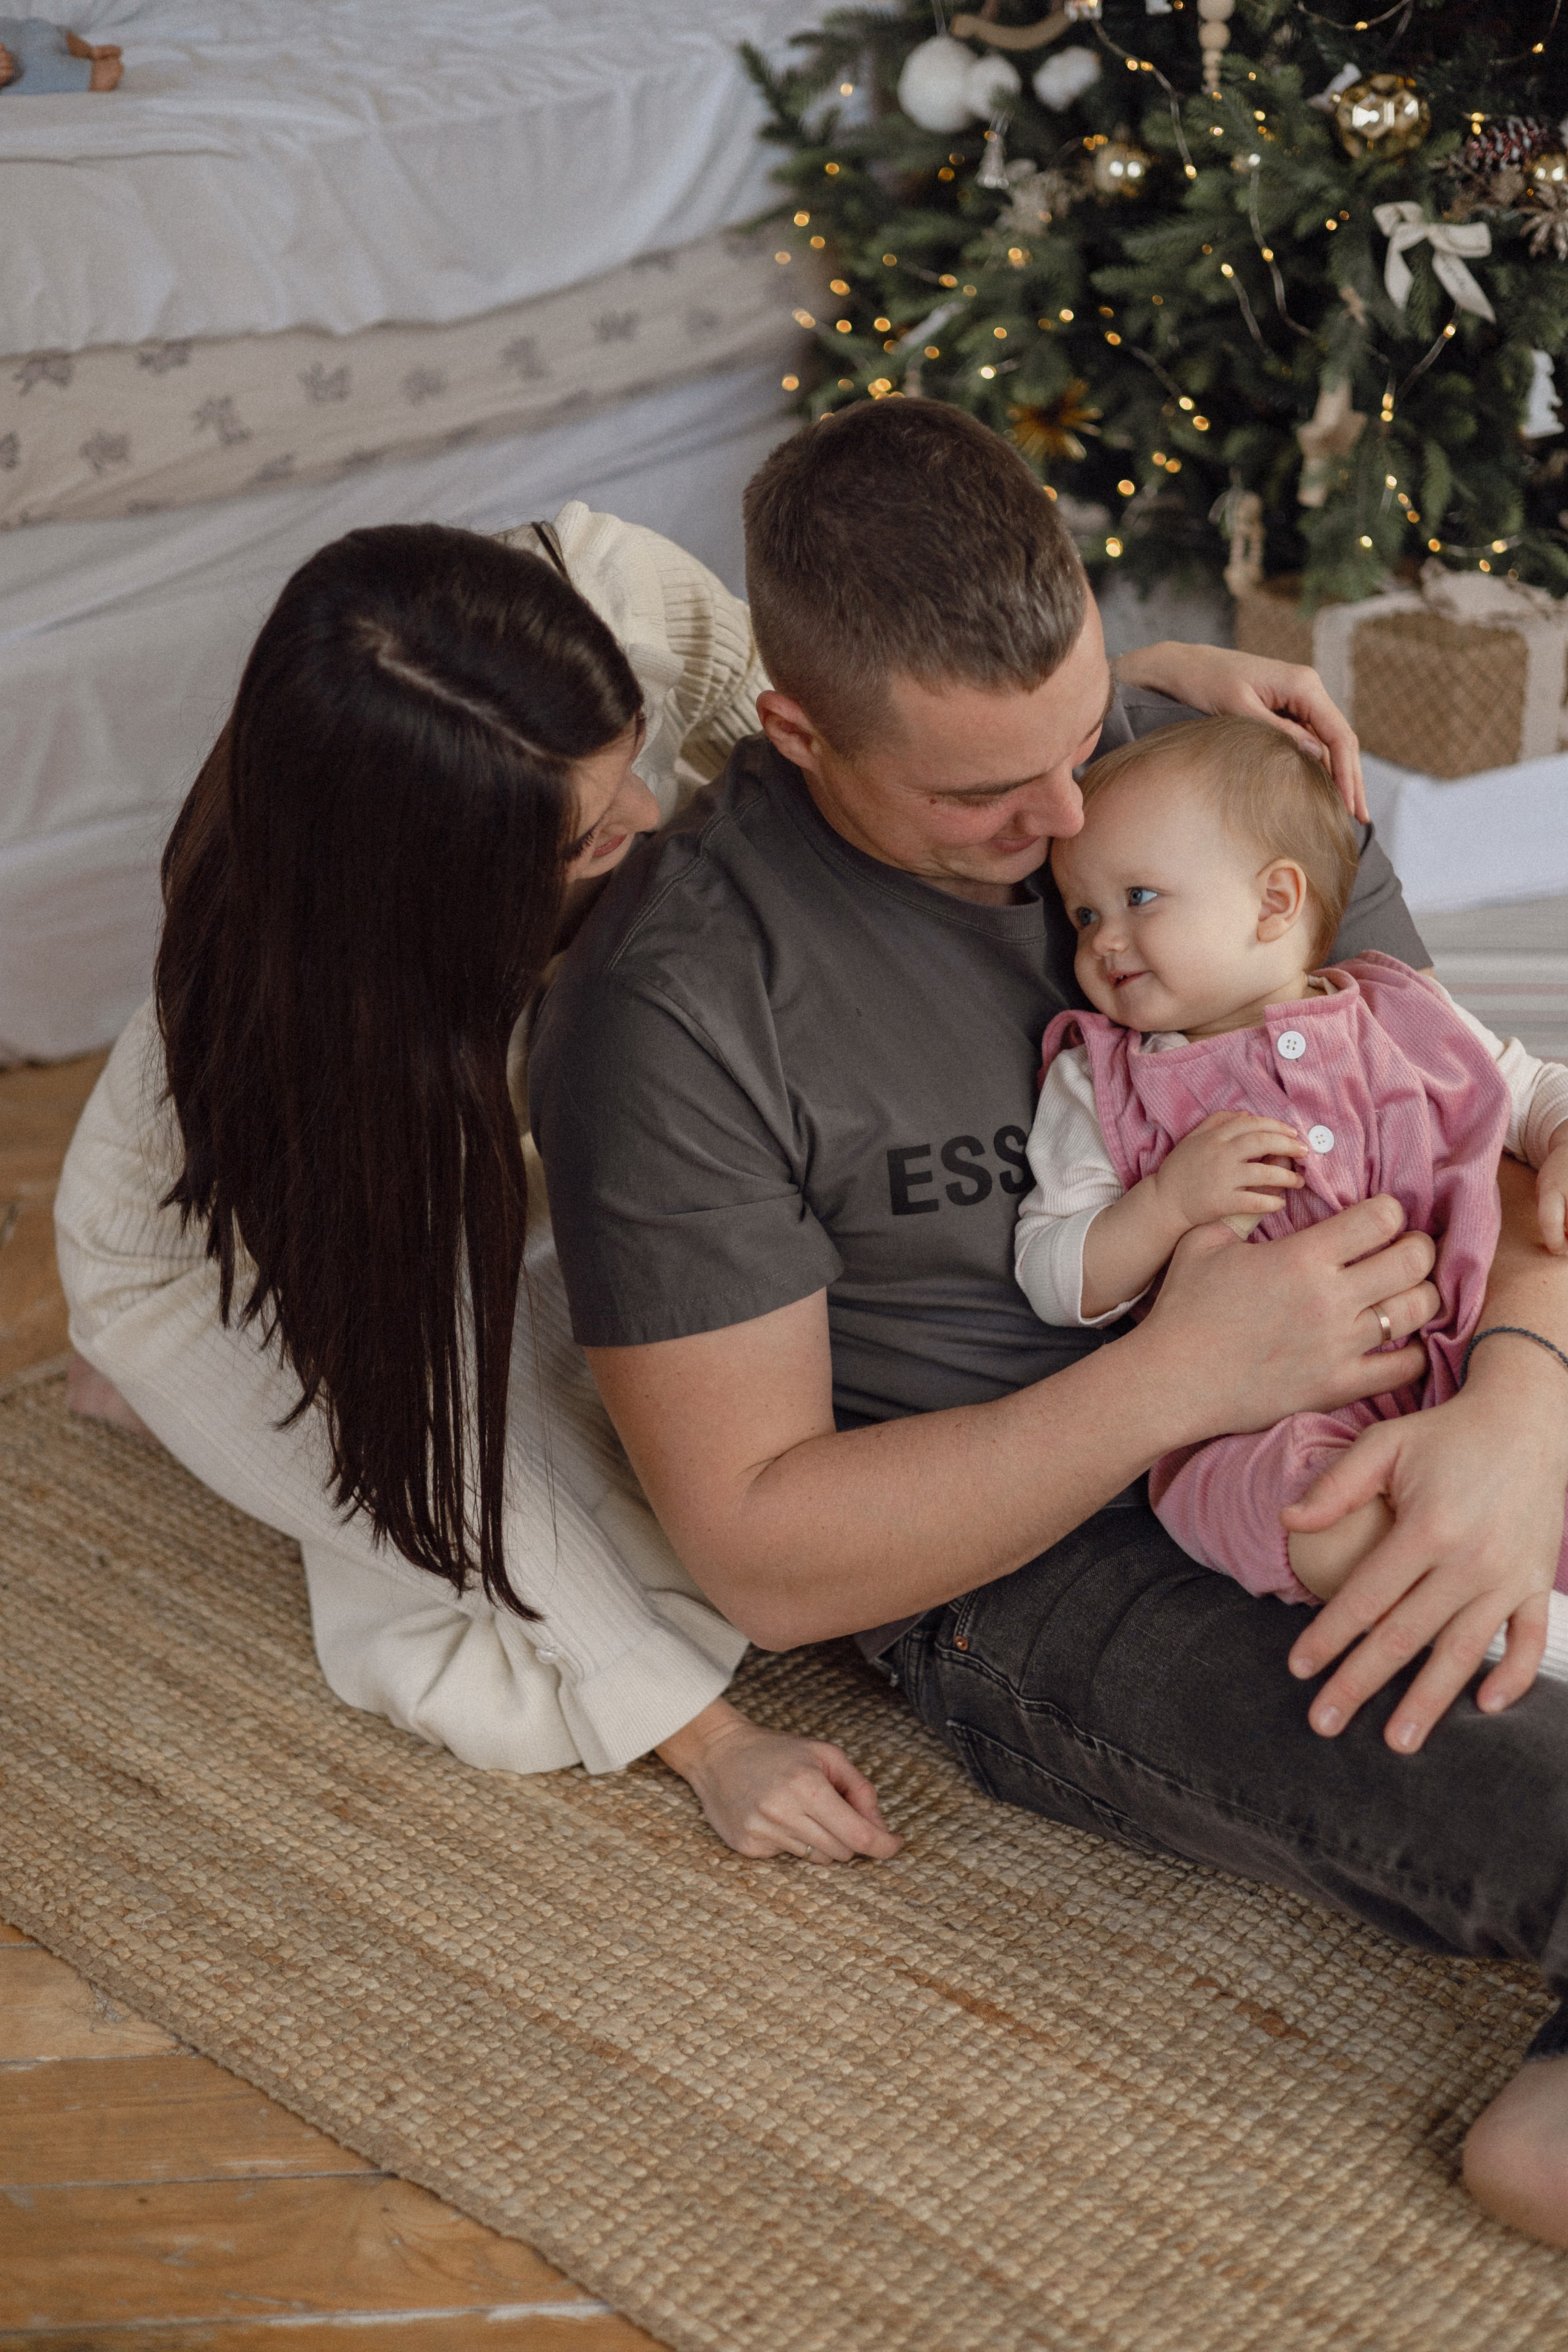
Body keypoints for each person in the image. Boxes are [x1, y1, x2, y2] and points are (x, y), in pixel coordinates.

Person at [526, 402, 1568, 2242]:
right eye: (988, 797)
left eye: (1085, 734)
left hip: (1442, 1373)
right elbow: (765, 1556)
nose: (1070, 822)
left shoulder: (1200, 770)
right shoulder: (678, 1010)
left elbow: (1483, 1118)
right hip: (1051, 1552)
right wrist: (1184, 1374)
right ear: (795, 732)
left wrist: (1520, 1405)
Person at [56, 509, 903, 1867]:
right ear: (445, 897)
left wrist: (1142, 716)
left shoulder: (608, 596)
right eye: (586, 837)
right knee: (509, 1572)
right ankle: (155, 1394)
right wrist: (704, 1739)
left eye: (630, 759)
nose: (646, 812)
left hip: (491, 1108)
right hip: (213, 1260)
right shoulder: (321, 1054)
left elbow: (880, 742)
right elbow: (445, 1426)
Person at [1014, 714, 1568, 1605]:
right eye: (1084, 914)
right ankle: (1479, 1608)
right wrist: (1161, 1206)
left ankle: (1516, 1563)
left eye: (1139, 898)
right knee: (1312, 1513)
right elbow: (1049, 1272)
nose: (1101, 941)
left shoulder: (1396, 1007)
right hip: (1261, 1422)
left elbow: (1525, 1086)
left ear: (1275, 901)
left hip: (1466, 1357)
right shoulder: (1104, 1080)